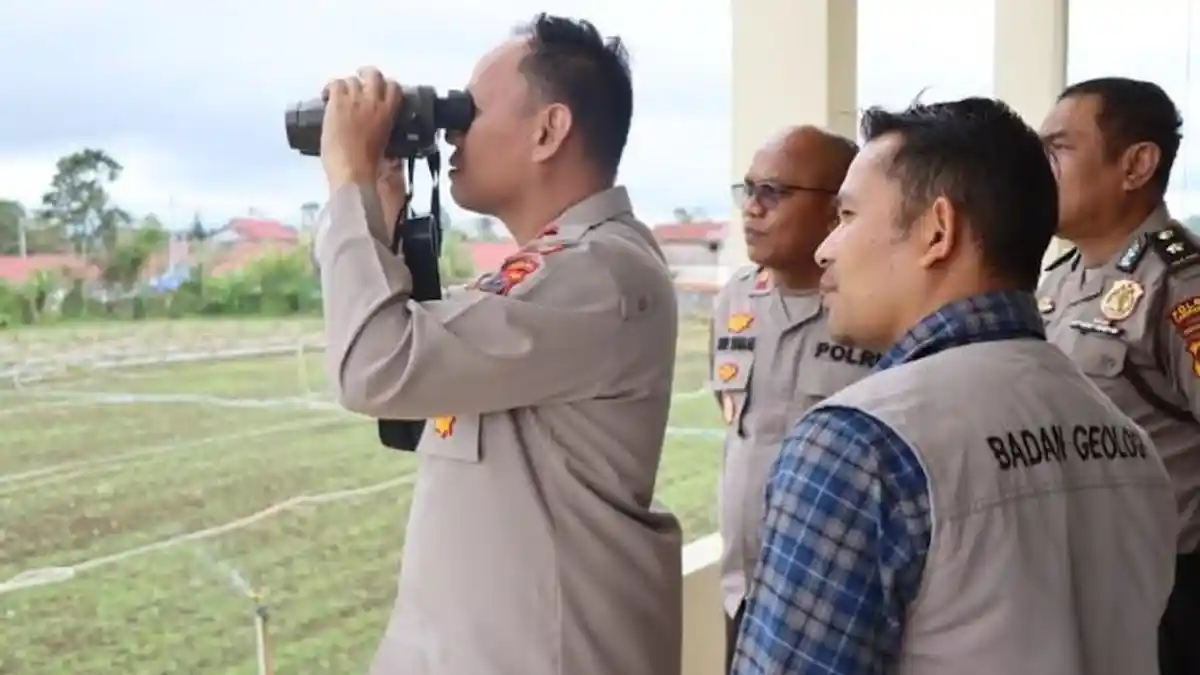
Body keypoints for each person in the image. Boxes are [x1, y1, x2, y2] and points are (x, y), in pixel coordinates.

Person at [731, 97, 1178, 675]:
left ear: (938, 231)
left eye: (845, 217)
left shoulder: (858, 444)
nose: (824, 249)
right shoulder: (1127, 442)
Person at [313, 14, 682, 675]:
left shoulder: (596, 274)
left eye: (469, 110)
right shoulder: (554, 273)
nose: (452, 130)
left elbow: (375, 366)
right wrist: (382, 201)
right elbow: (422, 363)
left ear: (549, 131)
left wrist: (347, 181)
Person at [1037, 77, 1200, 675]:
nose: (1039, 167)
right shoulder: (1059, 279)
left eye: (1059, 148)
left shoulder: (1181, 285)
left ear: (1136, 164)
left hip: (1167, 593)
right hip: (1071, 578)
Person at [711, 125, 876, 670]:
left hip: (837, 601)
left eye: (773, 193)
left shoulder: (876, 313)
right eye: (748, 190)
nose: (752, 209)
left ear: (837, 210)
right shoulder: (737, 299)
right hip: (744, 591)